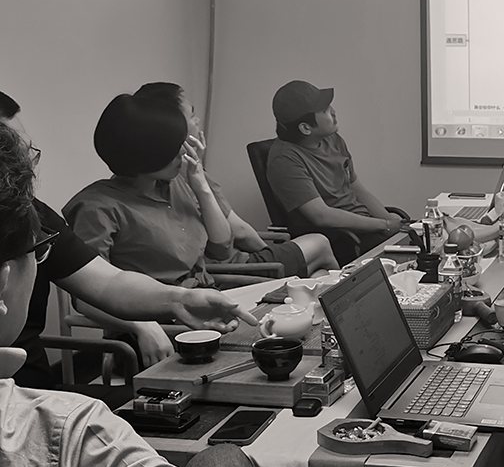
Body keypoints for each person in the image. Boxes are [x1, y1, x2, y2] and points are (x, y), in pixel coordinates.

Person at [0, 120, 266, 467]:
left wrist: (179, 299)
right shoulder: (72, 436)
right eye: (38, 253)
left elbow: (106, 281)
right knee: (222, 458)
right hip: (47, 403)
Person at [0, 91, 254, 389]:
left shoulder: (35, 214)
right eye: (12, 153)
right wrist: (146, 325)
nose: (25, 163)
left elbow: (108, 282)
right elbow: (87, 301)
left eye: (25, 150)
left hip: (33, 389)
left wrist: (180, 300)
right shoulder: (96, 206)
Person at [133, 81, 339, 274]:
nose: (197, 120)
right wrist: (270, 256)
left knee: (319, 274)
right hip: (231, 269)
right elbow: (238, 232)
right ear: (174, 125)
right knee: (321, 244)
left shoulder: (170, 172)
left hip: (226, 262)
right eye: (192, 115)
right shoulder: (186, 172)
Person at [266, 80, 403, 257]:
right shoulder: (284, 160)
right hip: (344, 237)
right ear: (306, 128)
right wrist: (384, 225)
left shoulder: (333, 139)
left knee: (424, 238)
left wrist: (390, 220)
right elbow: (321, 216)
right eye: (324, 110)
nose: (333, 111)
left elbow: (357, 189)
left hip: (367, 225)